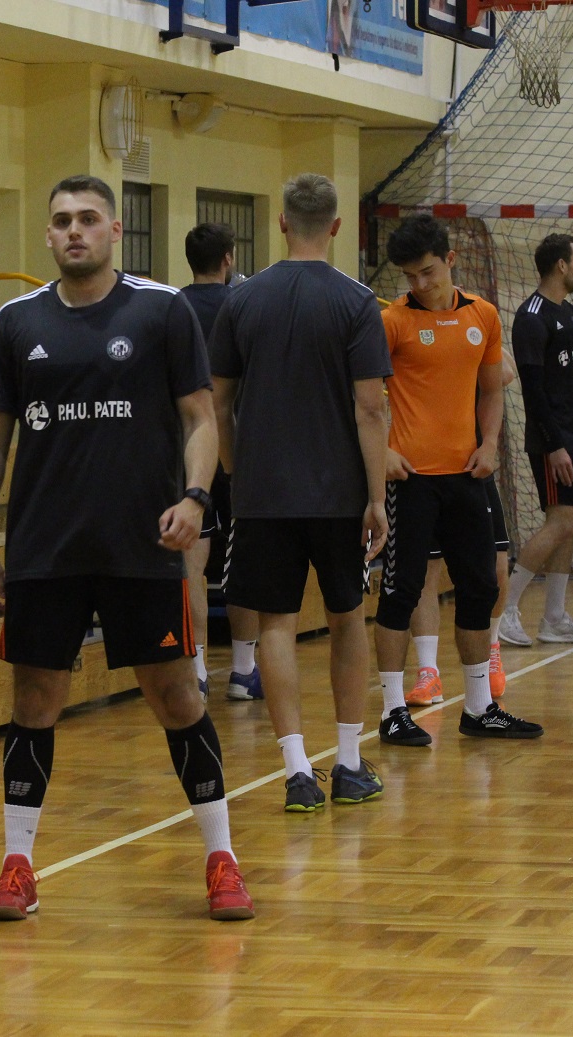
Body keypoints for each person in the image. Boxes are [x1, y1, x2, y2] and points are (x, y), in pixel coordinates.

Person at [0, 174, 254, 922]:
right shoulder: (16, 321)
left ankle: (222, 859)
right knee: (34, 701)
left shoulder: (162, 310)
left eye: (89, 218)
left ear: (115, 230)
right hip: (45, 549)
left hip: (141, 545)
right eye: (62, 219)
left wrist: (195, 496)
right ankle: (17, 866)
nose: (74, 231)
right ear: (48, 232)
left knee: (177, 697)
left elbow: (201, 417)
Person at [209, 173, 392, 812]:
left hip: (262, 495)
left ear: (282, 222)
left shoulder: (241, 299)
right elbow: (370, 409)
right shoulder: (358, 302)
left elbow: (218, 403)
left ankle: (296, 773)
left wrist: (236, 472)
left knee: (276, 626)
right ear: (336, 226)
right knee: (348, 618)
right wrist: (377, 498)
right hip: (340, 495)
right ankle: (349, 764)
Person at [374, 215, 544, 746]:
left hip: (467, 476)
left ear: (450, 260)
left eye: (427, 272)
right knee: (401, 592)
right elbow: (359, 399)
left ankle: (479, 707)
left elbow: (492, 389)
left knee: (480, 587)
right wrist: (382, 453)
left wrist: (489, 444)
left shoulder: (483, 315)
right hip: (411, 481)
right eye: (409, 276)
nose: (419, 284)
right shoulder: (392, 322)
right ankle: (393, 711)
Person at [496, 234, 573, 648]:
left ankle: (555, 618)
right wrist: (555, 445)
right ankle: (504, 610)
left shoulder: (569, 311)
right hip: (553, 441)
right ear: (561, 265)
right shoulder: (531, 317)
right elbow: (533, 390)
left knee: (571, 524)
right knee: (559, 521)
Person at [180, 222, 264, 702]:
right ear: (229, 258)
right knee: (244, 563)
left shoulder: (172, 307)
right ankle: (243, 670)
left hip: (188, 449)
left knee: (192, 564)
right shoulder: (244, 305)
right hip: (239, 448)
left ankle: (196, 672)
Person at [406, 349, 518, 706]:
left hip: (470, 463)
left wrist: (471, 337)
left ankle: (492, 647)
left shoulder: (472, 326)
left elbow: (506, 374)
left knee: (496, 563)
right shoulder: (408, 330)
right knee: (425, 570)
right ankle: (428, 672)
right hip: (423, 465)